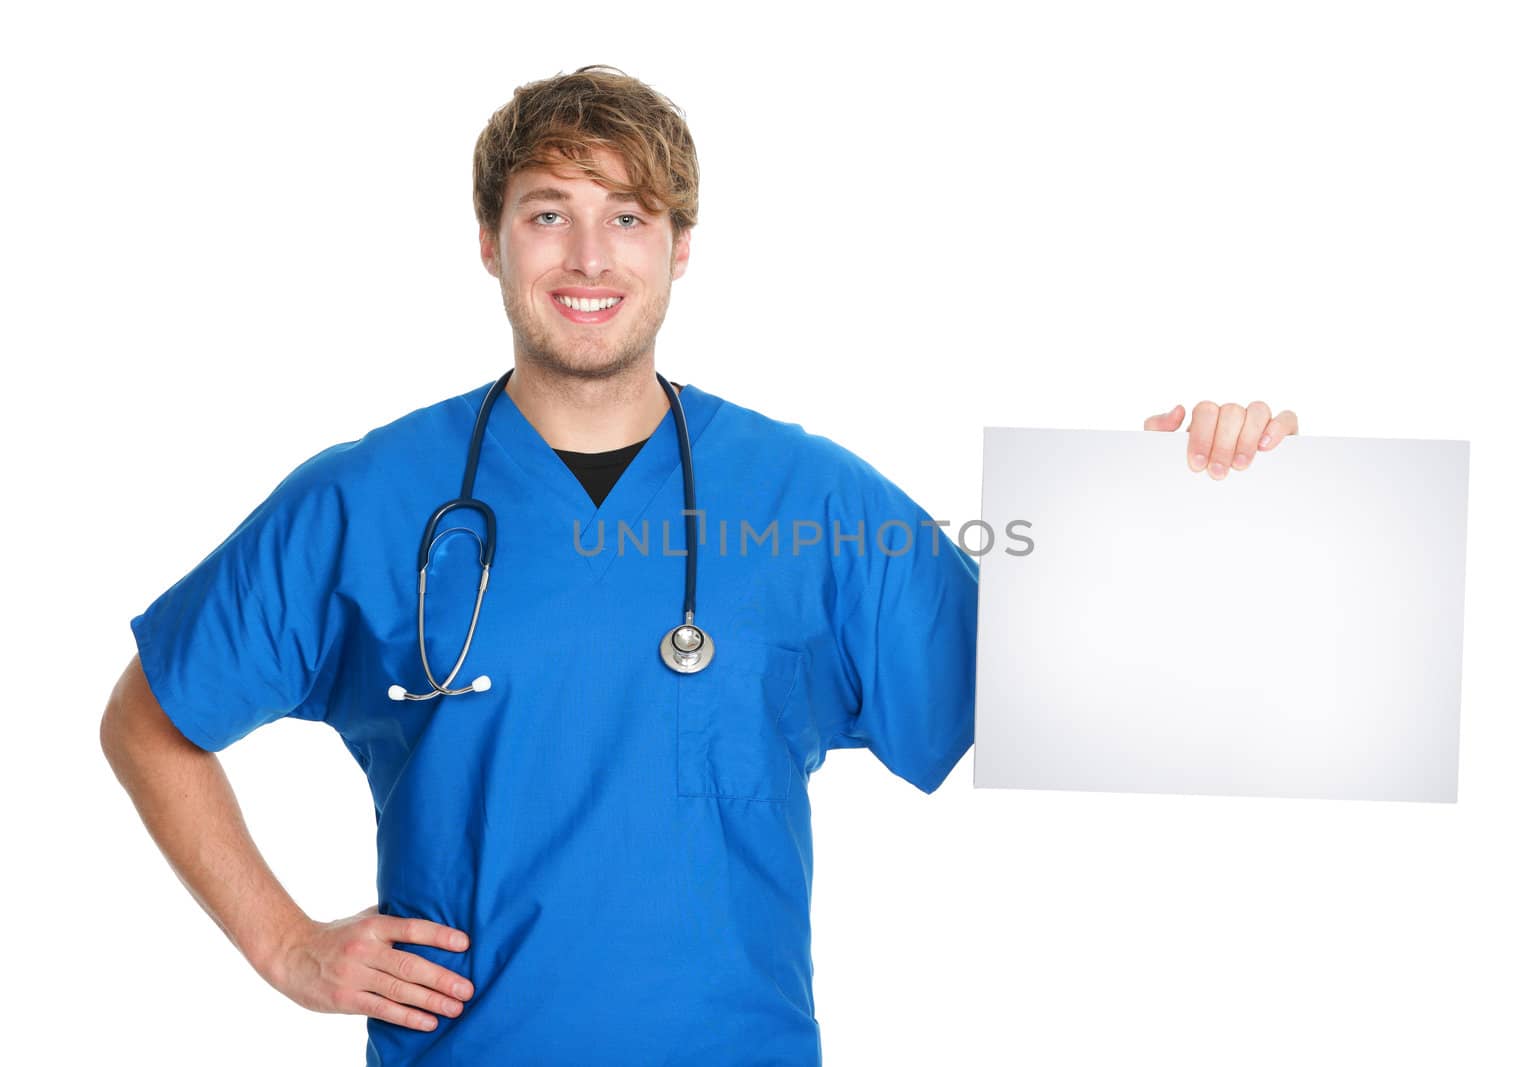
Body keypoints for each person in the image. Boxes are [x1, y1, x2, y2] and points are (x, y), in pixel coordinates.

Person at [100, 65, 1298, 1066]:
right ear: (488, 241)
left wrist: (1165, 507)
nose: (589, 253)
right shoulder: (364, 498)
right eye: (546, 210)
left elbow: (1056, 690)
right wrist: (287, 946)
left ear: (681, 249)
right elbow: (149, 721)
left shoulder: (812, 497)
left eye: (628, 216)